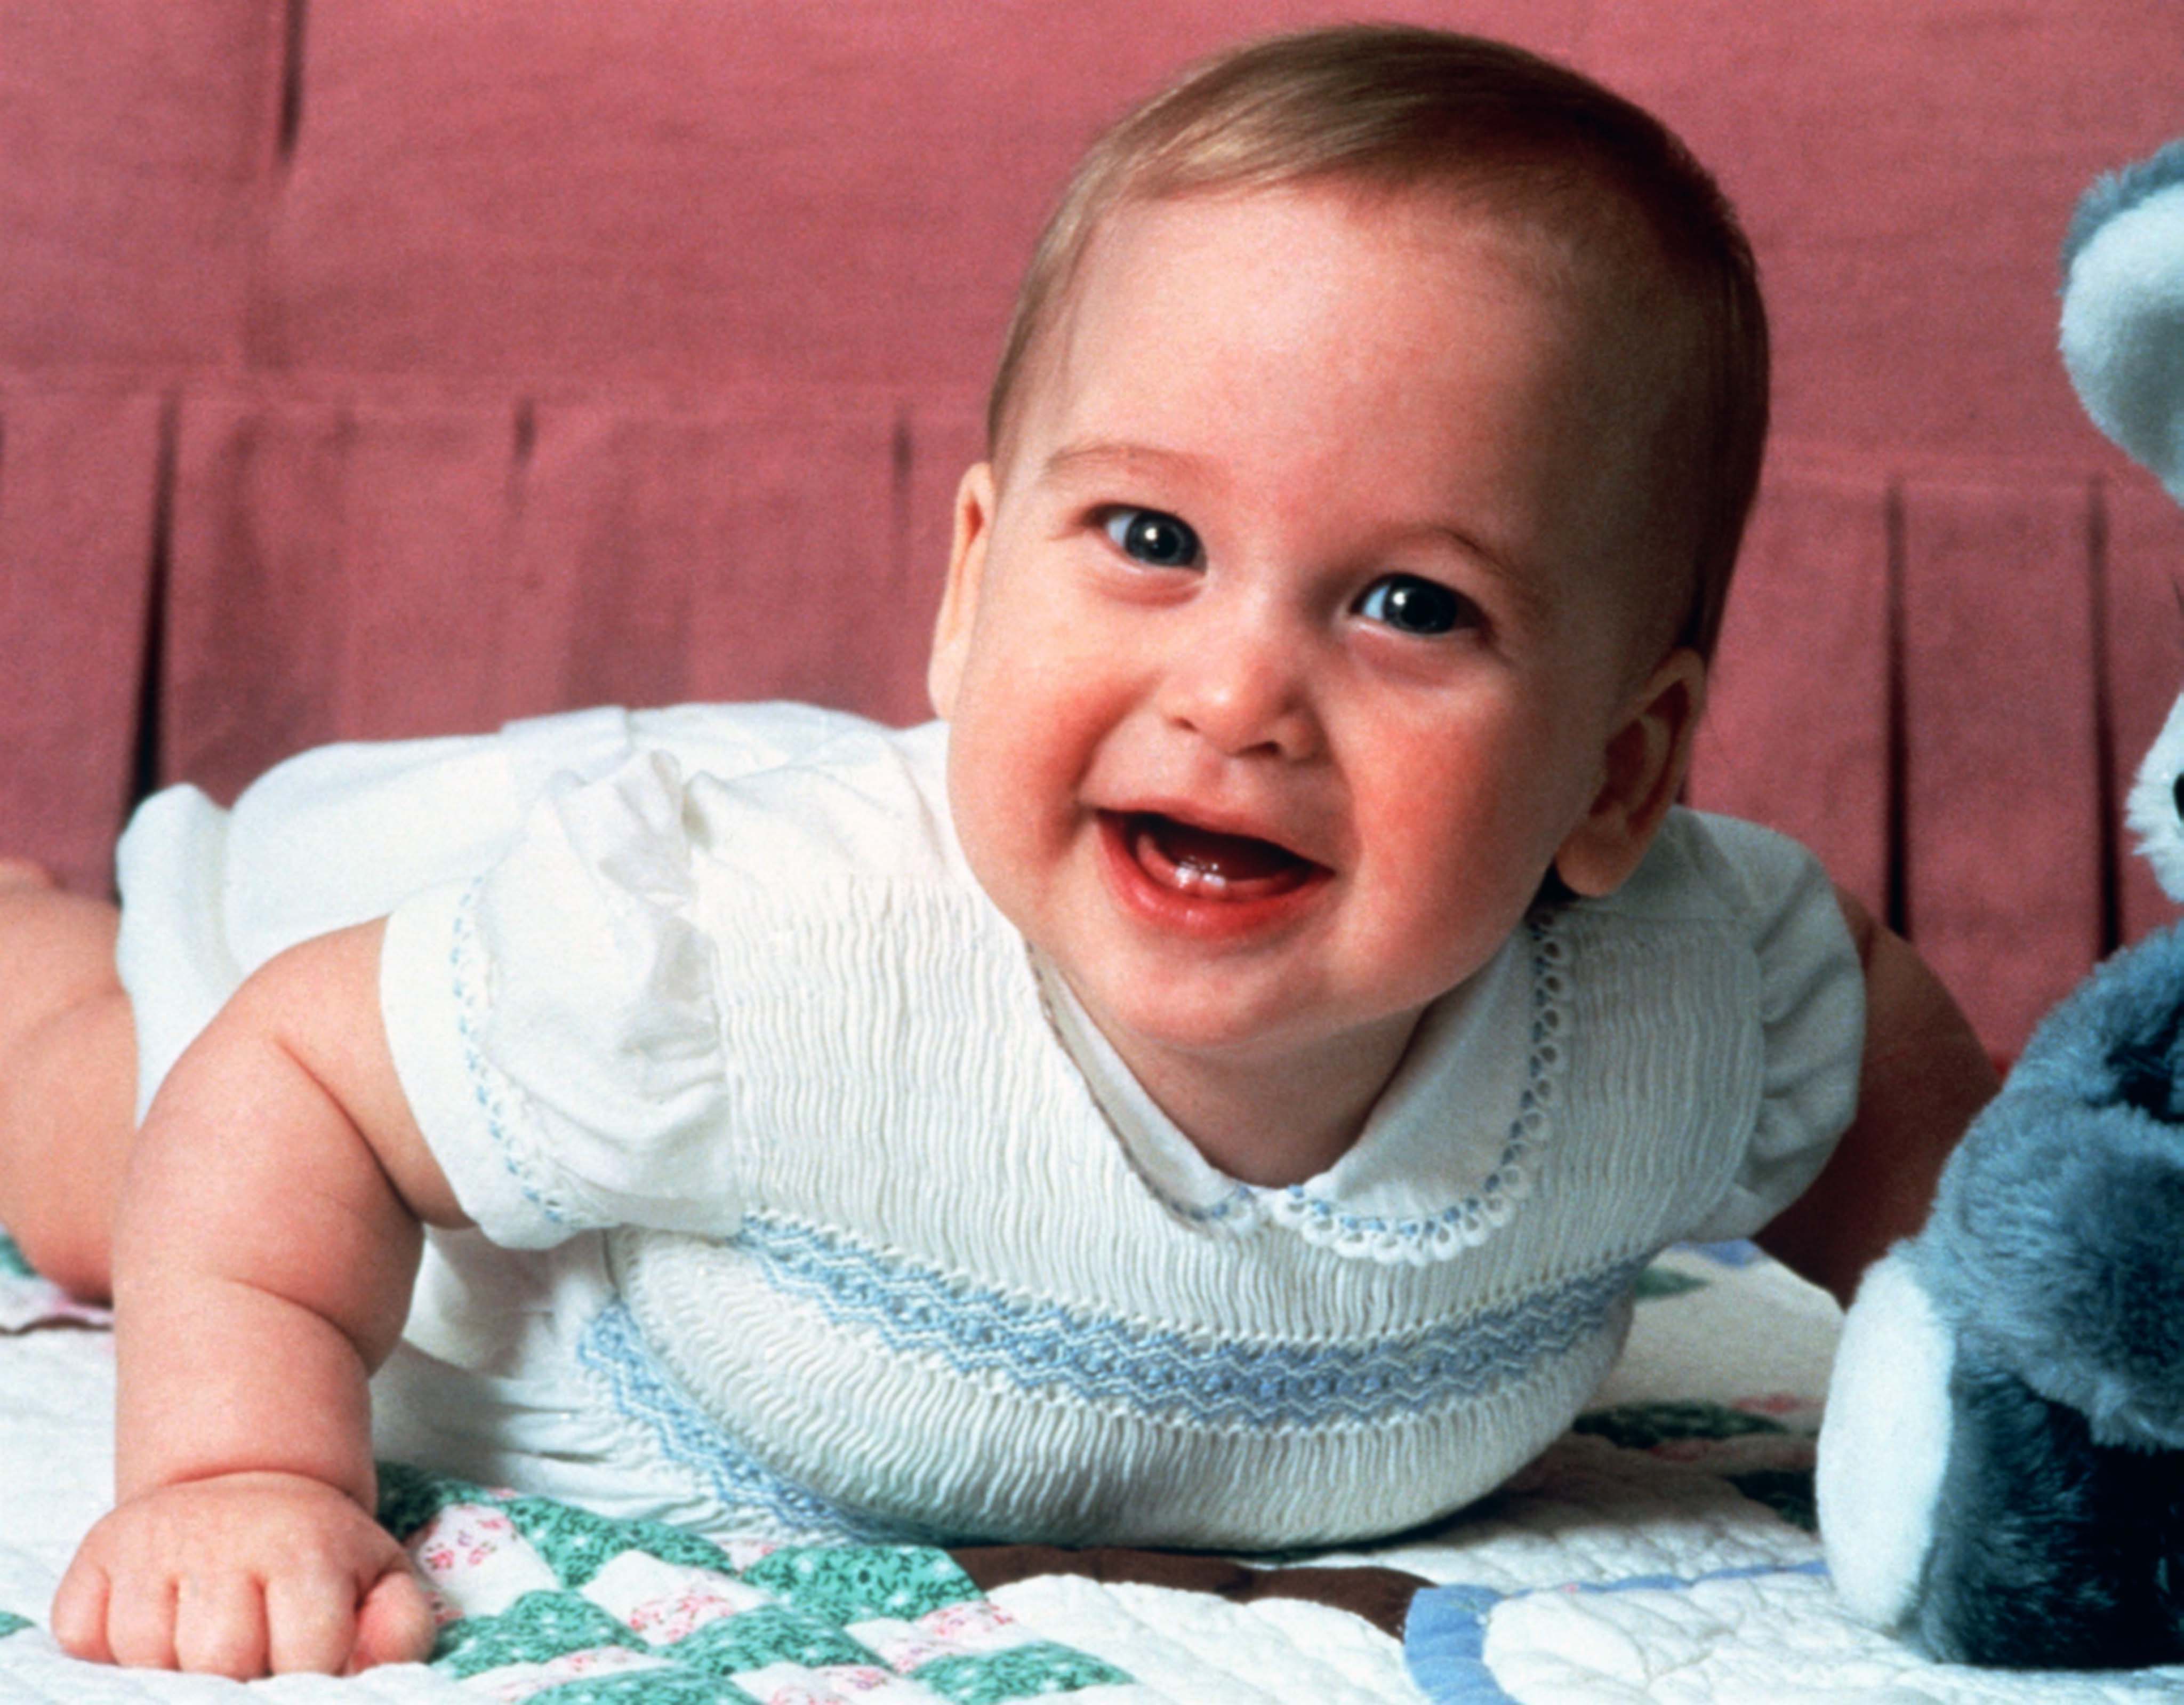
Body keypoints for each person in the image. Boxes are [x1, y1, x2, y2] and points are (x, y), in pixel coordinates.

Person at [0, 23, 1998, 1679]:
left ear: (1620, 777)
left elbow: (1884, 1069)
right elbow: (301, 1074)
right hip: (470, 1137)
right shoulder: (731, 955)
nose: (1237, 694)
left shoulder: (1683, 997)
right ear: (972, 590)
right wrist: (229, 1475)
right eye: (1150, 540)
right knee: (117, 1135)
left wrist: (2013, 1347)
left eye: (1410, 607)